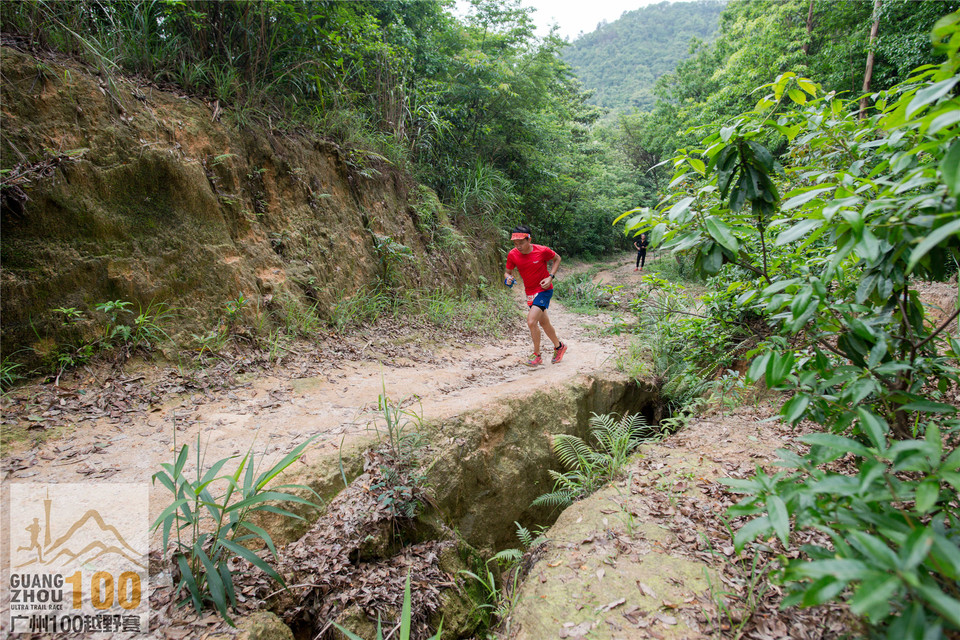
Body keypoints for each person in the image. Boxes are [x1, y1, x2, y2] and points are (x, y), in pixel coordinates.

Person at [504, 225, 567, 366]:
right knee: (544, 323)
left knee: (532, 321)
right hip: (530, 292)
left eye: (521, 243)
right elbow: (508, 272)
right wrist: (507, 278)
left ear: (529, 240)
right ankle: (559, 346)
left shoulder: (542, 250)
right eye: (515, 243)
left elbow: (557, 259)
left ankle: (537, 355)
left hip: (544, 289)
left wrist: (551, 276)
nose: (518, 246)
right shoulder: (513, 254)